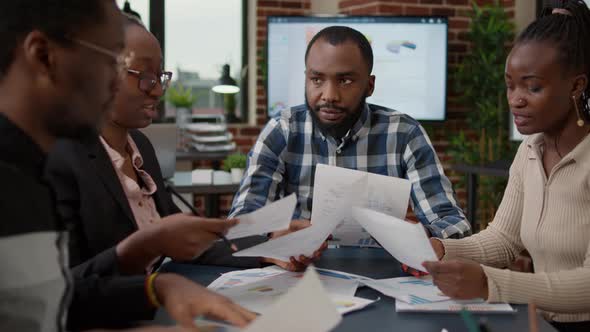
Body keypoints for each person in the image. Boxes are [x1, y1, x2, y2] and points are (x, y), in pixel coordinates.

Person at [0, 1, 254, 331]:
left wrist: (156, 288)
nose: (114, 82)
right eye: (111, 61)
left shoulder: (30, 168)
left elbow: (49, 300)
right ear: (44, 56)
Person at [45, 14, 324, 283]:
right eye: (144, 76)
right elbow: (60, 286)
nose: (157, 90)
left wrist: (268, 245)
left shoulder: (140, 147)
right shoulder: (60, 158)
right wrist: (154, 278)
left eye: (160, 76)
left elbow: (181, 243)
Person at [422, 1, 590, 331]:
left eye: (533, 86)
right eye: (510, 84)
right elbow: (503, 241)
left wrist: (489, 283)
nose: (515, 99)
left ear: (576, 86)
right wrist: (443, 249)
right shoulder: (530, 149)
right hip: (542, 323)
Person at [229, 26, 471, 242]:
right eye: (316, 79)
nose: (329, 95)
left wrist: (424, 236)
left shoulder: (404, 133)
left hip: (383, 272)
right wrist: (273, 236)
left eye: (344, 80)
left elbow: (454, 224)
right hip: (298, 271)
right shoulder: (283, 129)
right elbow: (242, 222)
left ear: (370, 85)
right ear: (306, 79)